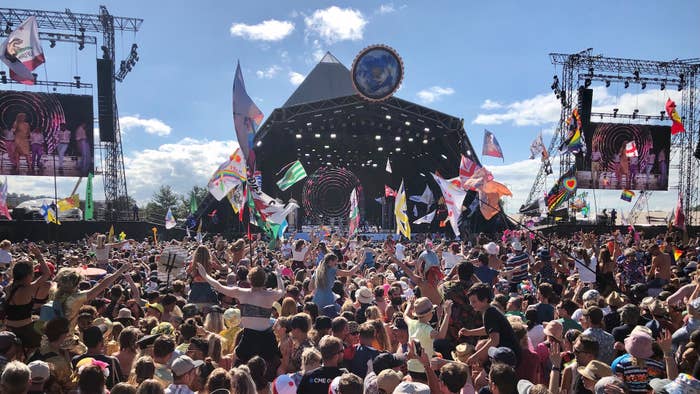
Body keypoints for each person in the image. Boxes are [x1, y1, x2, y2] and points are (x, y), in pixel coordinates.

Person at [197, 262, 284, 378]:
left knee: (235, 361)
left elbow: (219, 286)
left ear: (249, 279)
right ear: (264, 281)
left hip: (249, 337)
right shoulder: (270, 295)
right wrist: (278, 275)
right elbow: (282, 291)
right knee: (275, 364)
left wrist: (205, 275)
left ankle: (233, 381)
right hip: (267, 338)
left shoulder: (241, 292)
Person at [4, 243, 50, 350]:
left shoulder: (8, 287)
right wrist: (39, 255)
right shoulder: (29, 288)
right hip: (25, 330)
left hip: (9, 328)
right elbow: (47, 273)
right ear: (29, 275)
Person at [461, 283, 521, 363]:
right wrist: (469, 332)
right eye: (470, 302)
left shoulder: (489, 313)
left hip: (508, 356)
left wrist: (475, 356)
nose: (471, 304)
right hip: (508, 353)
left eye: (474, 301)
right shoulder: (489, 309)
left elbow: (494, 340)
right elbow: (489, 329)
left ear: (485, 299)